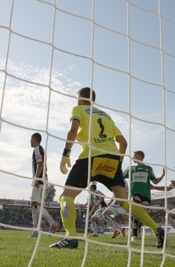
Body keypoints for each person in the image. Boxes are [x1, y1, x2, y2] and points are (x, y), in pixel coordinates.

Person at [51, 87, 164, 249]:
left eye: (78, 98)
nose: (77, 101)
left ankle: (70, 237)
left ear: (82, 99)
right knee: (124, 201)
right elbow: (123, 142)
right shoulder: (106, 116)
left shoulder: (78, 109)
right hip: (111, 158)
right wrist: (118, 161)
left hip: (91, 156)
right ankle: (156, 229)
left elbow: (73, 130)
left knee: (65, 197)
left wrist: (65, 154)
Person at [123, 150, 165, 241]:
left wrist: (162, 175)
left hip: (146, 195)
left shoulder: (148, 169)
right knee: (137, 209)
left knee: (144, 214)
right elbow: (121, 176)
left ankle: (137, 231)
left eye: (134, 156)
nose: (133, 157)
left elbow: (155, 182)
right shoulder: (131, 169)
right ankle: (134, 234)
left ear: (139, 156)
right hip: (135, 194)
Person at [29, 132, 57, 237]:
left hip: (39, 181)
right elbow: (45, 166)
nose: (30, 141)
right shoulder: (41, 150)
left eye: (31, 139)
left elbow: (40, 164)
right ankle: (37, 229)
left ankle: (50, 224)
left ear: (35, 139)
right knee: (35, 205)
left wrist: (36, 179)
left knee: (35, 204)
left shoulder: (37, 149)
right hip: (42, 179)